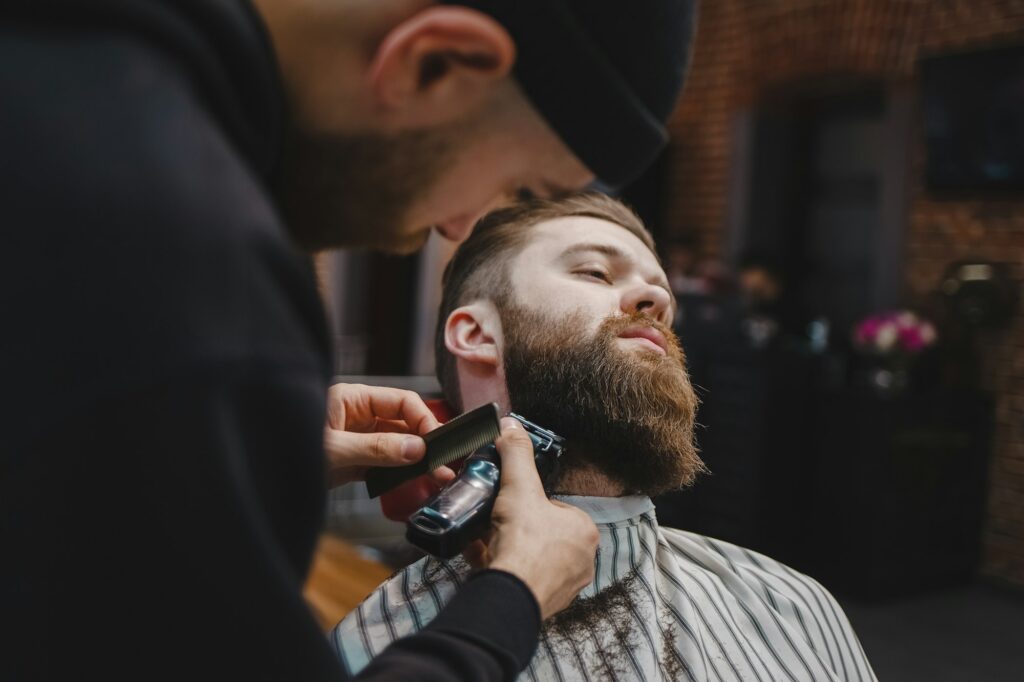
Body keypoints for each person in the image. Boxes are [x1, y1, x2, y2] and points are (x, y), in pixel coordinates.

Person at [1, 1, 698, 680]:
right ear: (434, 63)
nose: (458, 227)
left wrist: (216, 452)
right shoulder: (196, 288)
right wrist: (508, 601)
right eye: (518, 183)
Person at [331, 193, 877, 681]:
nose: (654, 298)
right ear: (476, 333)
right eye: (595, 272)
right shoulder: (372, 645)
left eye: (663, 294)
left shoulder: (794, 606)